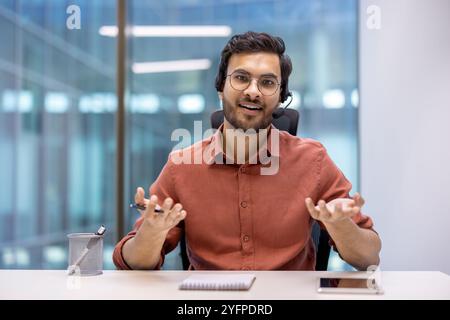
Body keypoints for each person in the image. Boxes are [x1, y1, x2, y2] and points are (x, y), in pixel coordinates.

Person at [113, 31, 381, 271]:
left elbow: (369, 258)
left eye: (267, 83)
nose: (253, 91)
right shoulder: (181, 166)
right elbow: (134, 263)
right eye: (241, 78)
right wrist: (152, 232)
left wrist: (340, 225)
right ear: (220, 87)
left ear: (280, 97)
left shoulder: (313, 160)